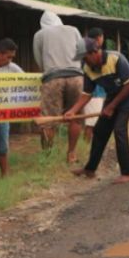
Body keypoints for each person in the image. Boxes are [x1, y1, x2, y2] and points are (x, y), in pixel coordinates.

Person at [65, 38, 129, 183]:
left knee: (120, 130)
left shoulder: (116, 58)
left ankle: (128, 172)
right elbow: (87, 93)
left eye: (85, 58)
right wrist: (73, 111)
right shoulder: (87, 68)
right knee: (99, 131)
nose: (84, 62)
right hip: (112, 98)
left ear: (95, 52)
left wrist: (111, 107)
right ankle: (90, 169)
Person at [32, 11, 84, 162]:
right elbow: (82, 53)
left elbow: (39, 59)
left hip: (53, 78)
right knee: (76, 117)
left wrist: (49, 70)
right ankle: (72, 154)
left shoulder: (40, 35)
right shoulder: (73, 29)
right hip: (76, 77)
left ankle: (47, 156)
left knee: (49, 120)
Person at [0, 39, 23, 177]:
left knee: (2, 147)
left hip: (2, 114)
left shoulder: (13, 68)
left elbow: (26, 84)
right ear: (0, 54)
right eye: (9, 56)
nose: (10, 60)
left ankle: (5, 175)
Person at [83, 28, 107, 143]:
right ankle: (87, 144)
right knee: (91, 123)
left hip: (98, 93)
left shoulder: (90, 51)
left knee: (94, 122)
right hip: (94, 93)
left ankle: (90, 144)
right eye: (102, 37)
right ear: (99, 37)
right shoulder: (93, 53)